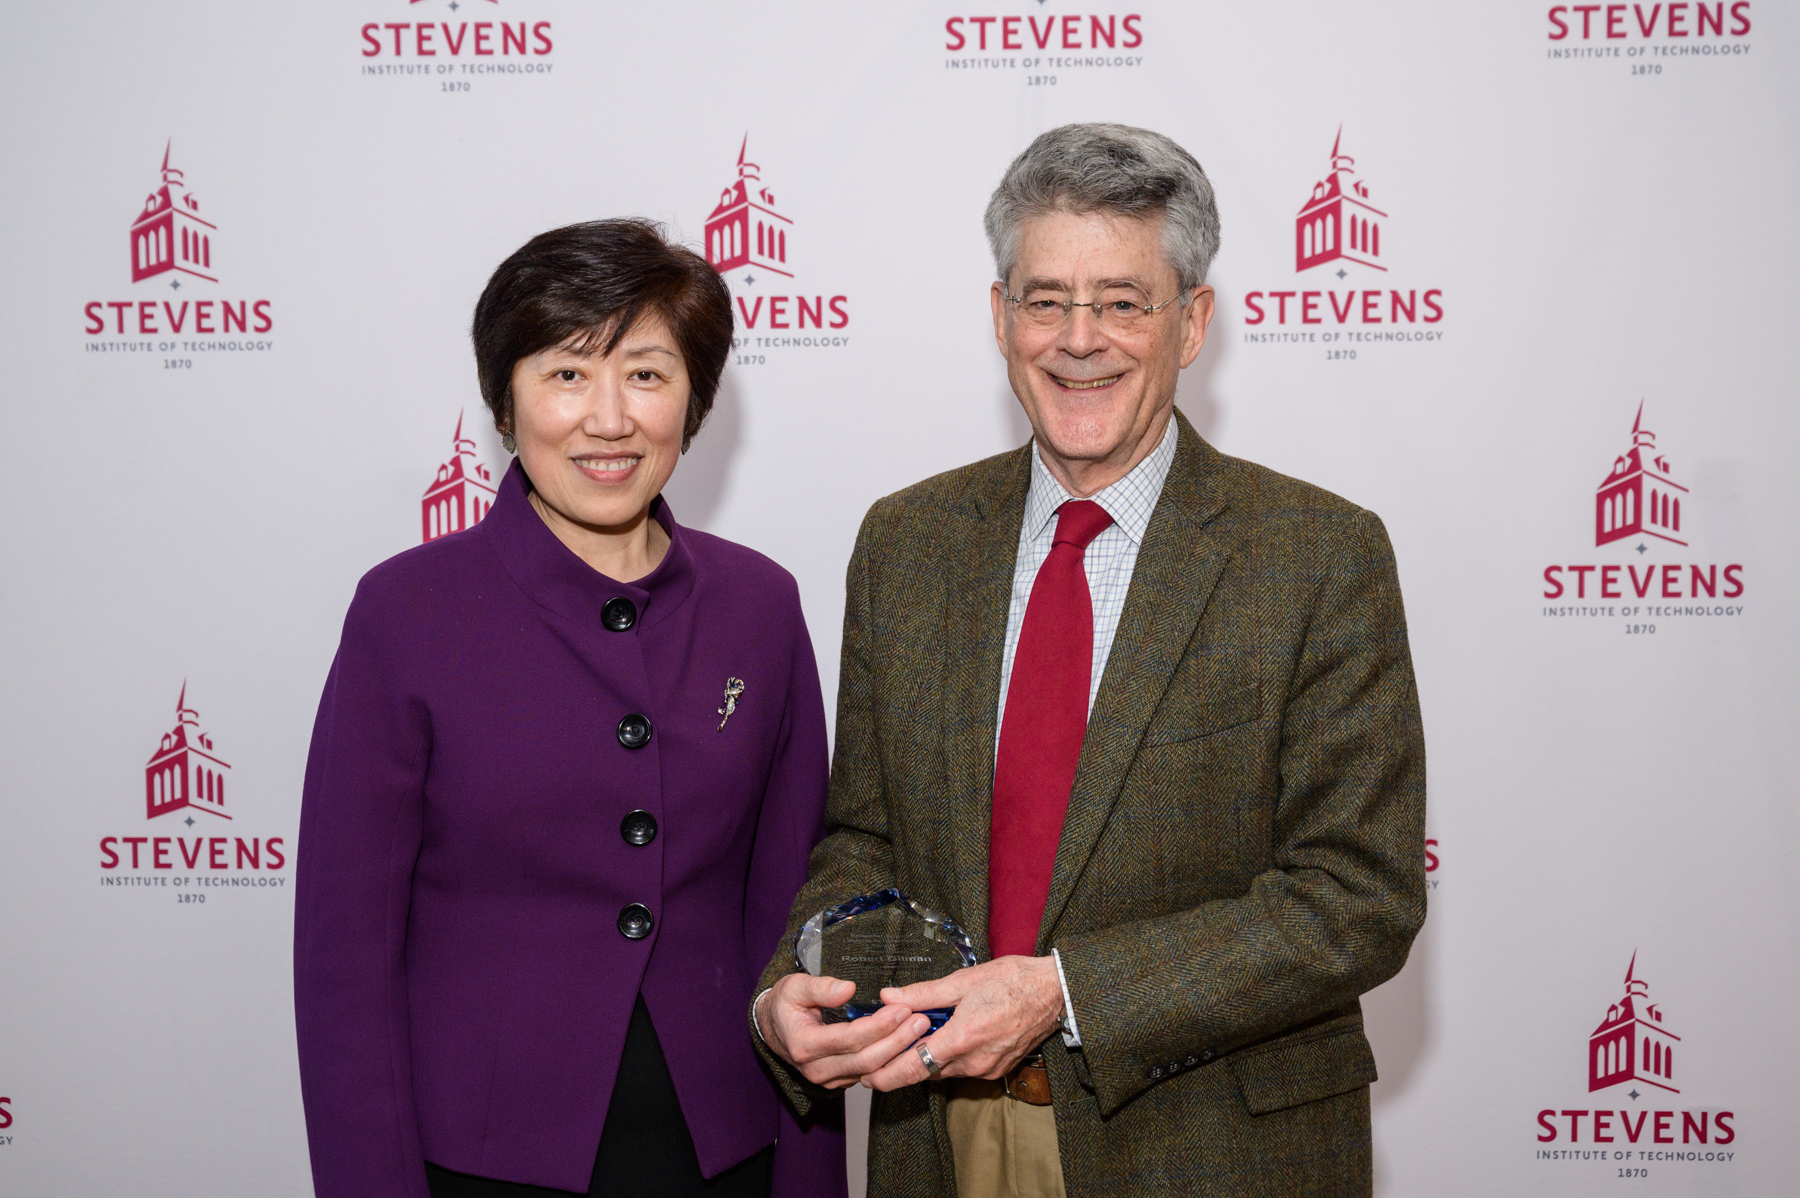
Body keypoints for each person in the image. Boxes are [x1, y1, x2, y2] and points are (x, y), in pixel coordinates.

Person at [751, 124, 1426, 1197]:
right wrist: (802, 975)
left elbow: (1357, 897)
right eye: (1045, 299)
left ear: (1193, 322)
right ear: (999, 314)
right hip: (942, 1137)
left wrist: (1064, 992)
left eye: (1122, 301)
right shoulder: (906, 541)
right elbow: (866, 837)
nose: (1079, 339)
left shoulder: (1319, 555)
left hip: (1210, 1151)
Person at [294, 219, 845, 1198]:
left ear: (695, 400)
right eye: (565, 374)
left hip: (726, 1152)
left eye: (645, 374)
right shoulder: (407, 612)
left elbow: (790, 918)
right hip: (477, 1159)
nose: (608, 419)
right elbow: (347, 960)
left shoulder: (761, 606)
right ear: (505, 402)